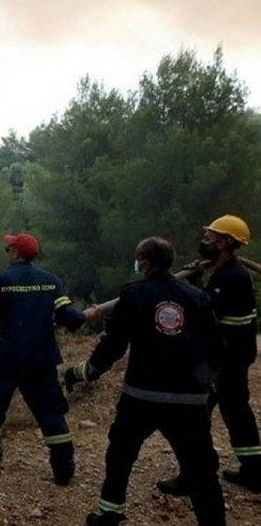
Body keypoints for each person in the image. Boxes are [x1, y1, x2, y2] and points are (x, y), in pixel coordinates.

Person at [65, 237, 226, 526]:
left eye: (138, 259)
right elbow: (215, 347)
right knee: (201, 470)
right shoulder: (197, 297)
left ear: (146, 263)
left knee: (120, 457)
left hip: (142, 397)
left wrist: (85, 372)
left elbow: (113, 346)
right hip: (188, 401)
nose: (137, 264)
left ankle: (110, 513)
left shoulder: (134, 295)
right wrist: (208, 386)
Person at [0, 232, 89, 485]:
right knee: (50, 413)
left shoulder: (1, 281)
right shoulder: (51, 282)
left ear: (16, 253)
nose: (7, 253)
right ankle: (64, 470)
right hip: (41, 359)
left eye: (9, 249)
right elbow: (67, 317)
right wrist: (81, 317)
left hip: (8, 358)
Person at [157, 214, 261, 495]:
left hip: (225, 361)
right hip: (234, 357)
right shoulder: (227, 272)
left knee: (192, 416)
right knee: (237, 412)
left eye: (211, 236)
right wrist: (201, 281)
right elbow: (214, 306)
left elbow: (201, 307)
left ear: (224, 243)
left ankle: (195, 476)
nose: (205, 239)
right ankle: (254, 471)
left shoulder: (231, 276)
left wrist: (181, 284)